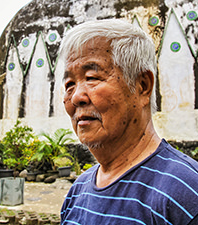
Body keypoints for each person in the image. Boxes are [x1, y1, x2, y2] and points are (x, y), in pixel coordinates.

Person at [59, 19, 198, 225]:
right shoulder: (76, 193)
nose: (76, 96)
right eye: (70, 84)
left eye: (92, 77)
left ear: (142, 86)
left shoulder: (185, 194)